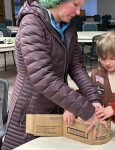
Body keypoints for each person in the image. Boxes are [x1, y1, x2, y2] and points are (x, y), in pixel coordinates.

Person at [2, 0, 104, 149]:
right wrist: (86, 111)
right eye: (75, 4)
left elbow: (76, 67)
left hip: (58, 104)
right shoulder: (32, 24)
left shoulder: (68, 26)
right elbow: (43, 78)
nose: (78, 12)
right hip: (29, 110)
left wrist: (94, 99)